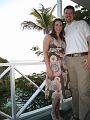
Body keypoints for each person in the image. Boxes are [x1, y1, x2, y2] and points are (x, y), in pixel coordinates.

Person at [63, 5, 90, 120]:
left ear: (73, 14)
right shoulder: (64, 29)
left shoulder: (82, 23)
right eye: (66, 13)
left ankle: (85, 116)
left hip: (82, 58)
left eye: (70, 13)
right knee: (74, 89)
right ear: (64, 15)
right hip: (69, 60)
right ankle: (76, 114)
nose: (68, 15)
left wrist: (89, 57)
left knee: (83, 90)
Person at [43, 18, 67, 120]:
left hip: (63, 68)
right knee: (55, 91)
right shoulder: (48, 37)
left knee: (60, 91)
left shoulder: (63, 38)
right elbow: (45, 52)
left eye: (60, 25)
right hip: (53, 67)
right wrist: (48, 68)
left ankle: (57, 113)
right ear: (54, 26)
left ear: (62, 27)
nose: (58, 27)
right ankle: (53, 112)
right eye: (56, 25)